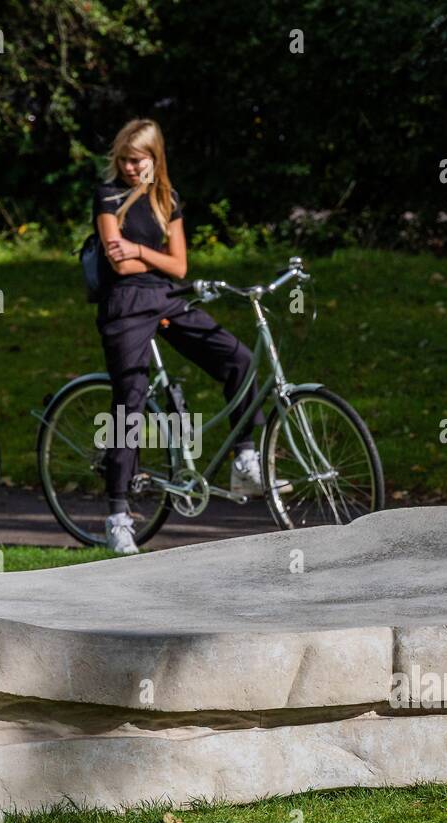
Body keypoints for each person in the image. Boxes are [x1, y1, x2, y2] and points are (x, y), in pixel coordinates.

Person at [92, 118, 266, 555]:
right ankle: (117, 516)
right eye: (126, 160)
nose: (131, 168)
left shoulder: (167, 199)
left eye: (140, 161)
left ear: (156, 159)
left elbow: (180, 266)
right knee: (129, 400)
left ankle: (245, 455)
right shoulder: (108, 195)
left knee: (239, 358)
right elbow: (117, 265)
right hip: (126, 304)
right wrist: (145, 259)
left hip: (169, 299)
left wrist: (138, 252)